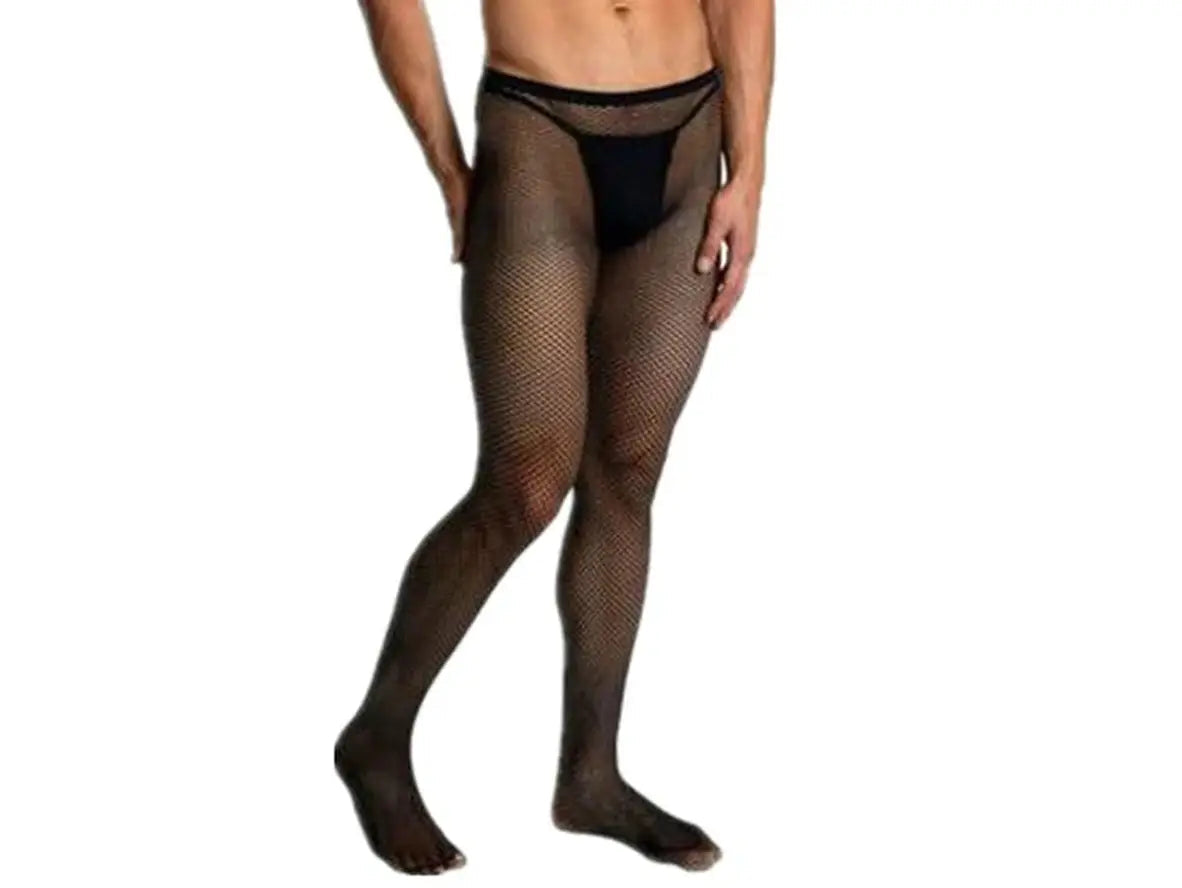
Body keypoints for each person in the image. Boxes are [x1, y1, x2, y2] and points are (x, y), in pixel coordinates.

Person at [334, 0, 773, 875]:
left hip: (690, 133)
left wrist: (750, 171)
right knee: (526, 483)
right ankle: (376, 736)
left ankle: (591, 778)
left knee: (627, 471)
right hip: (541, 131)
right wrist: (449, 167)